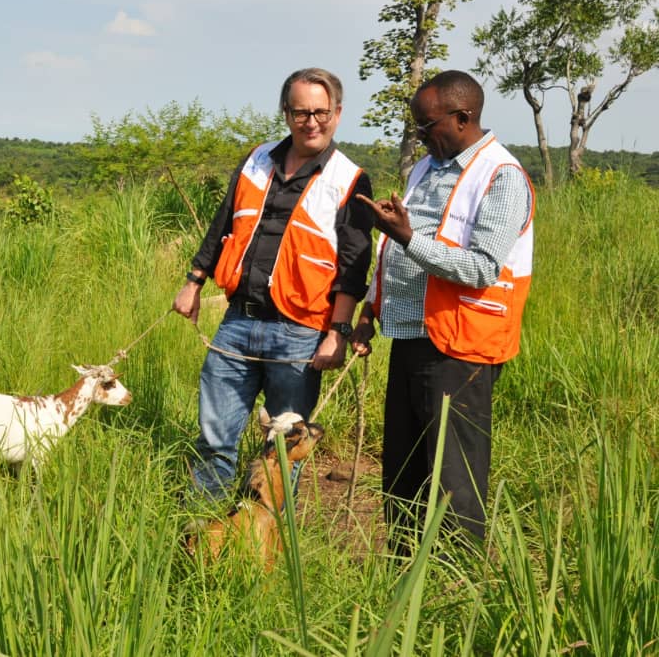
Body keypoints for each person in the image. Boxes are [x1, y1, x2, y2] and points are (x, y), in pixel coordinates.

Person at [352, 70, 534, 553]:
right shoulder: (425, 168)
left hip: (462, 347)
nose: (420, 136)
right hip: (411, 335)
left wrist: (408, 236)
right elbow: (394, 251)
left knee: (453, 478)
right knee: (404, 472)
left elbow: (480, 268)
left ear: (463, 117)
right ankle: (403, 583)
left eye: (426, 126)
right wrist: (371, 310)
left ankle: (453, 596)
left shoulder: (502, 176)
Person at [174, 68, 374, 502]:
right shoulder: (256, 160)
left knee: (285, 448)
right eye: (301, 112)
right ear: (286, 113)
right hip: (238, 322)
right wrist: (193, 281)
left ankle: (266, 537)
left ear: (337, 113)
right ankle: (204, 530)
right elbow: (222, 225)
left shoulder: (350, 179)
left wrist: (337, 333)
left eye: (321, 112)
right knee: (214, 440)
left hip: (300, 332)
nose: (311, 121)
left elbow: (353, 268)